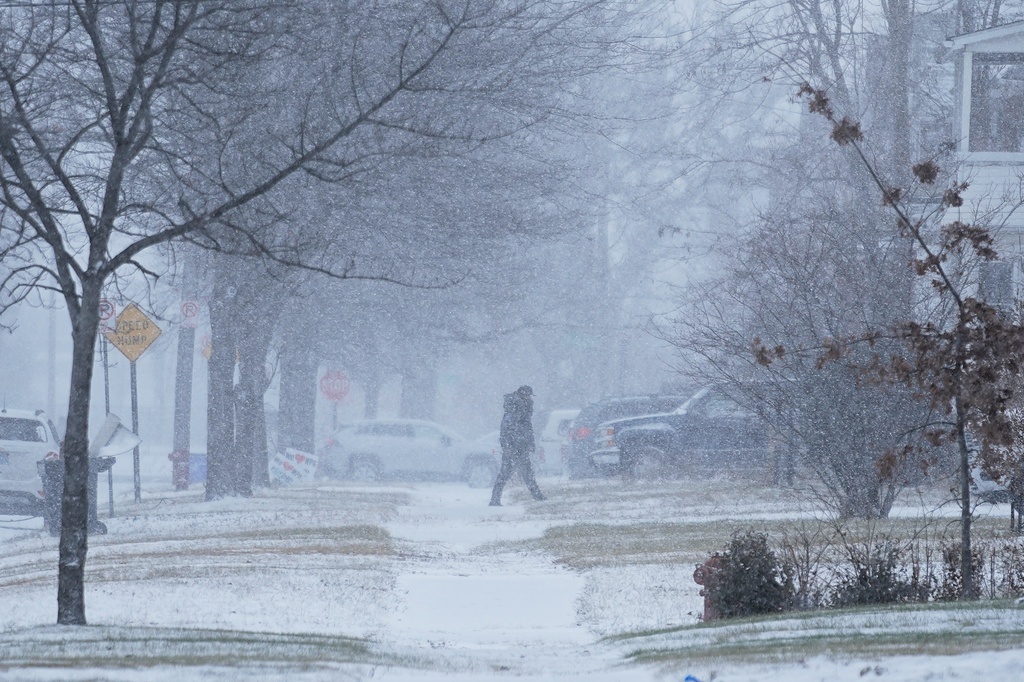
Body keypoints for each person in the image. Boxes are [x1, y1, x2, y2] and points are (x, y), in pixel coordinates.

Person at [489, 385, 545, 505]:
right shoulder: (512, 410)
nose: (530, 399)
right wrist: (507, 446)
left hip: (522, 445)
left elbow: (527, 428)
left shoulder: (524, 409)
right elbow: (506, 429)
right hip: (512, 447)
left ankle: (538, 497)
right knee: (506, 473)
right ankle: (494, 500)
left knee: (527, 472)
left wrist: (530, 443)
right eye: (528, 397)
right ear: (522, 396)